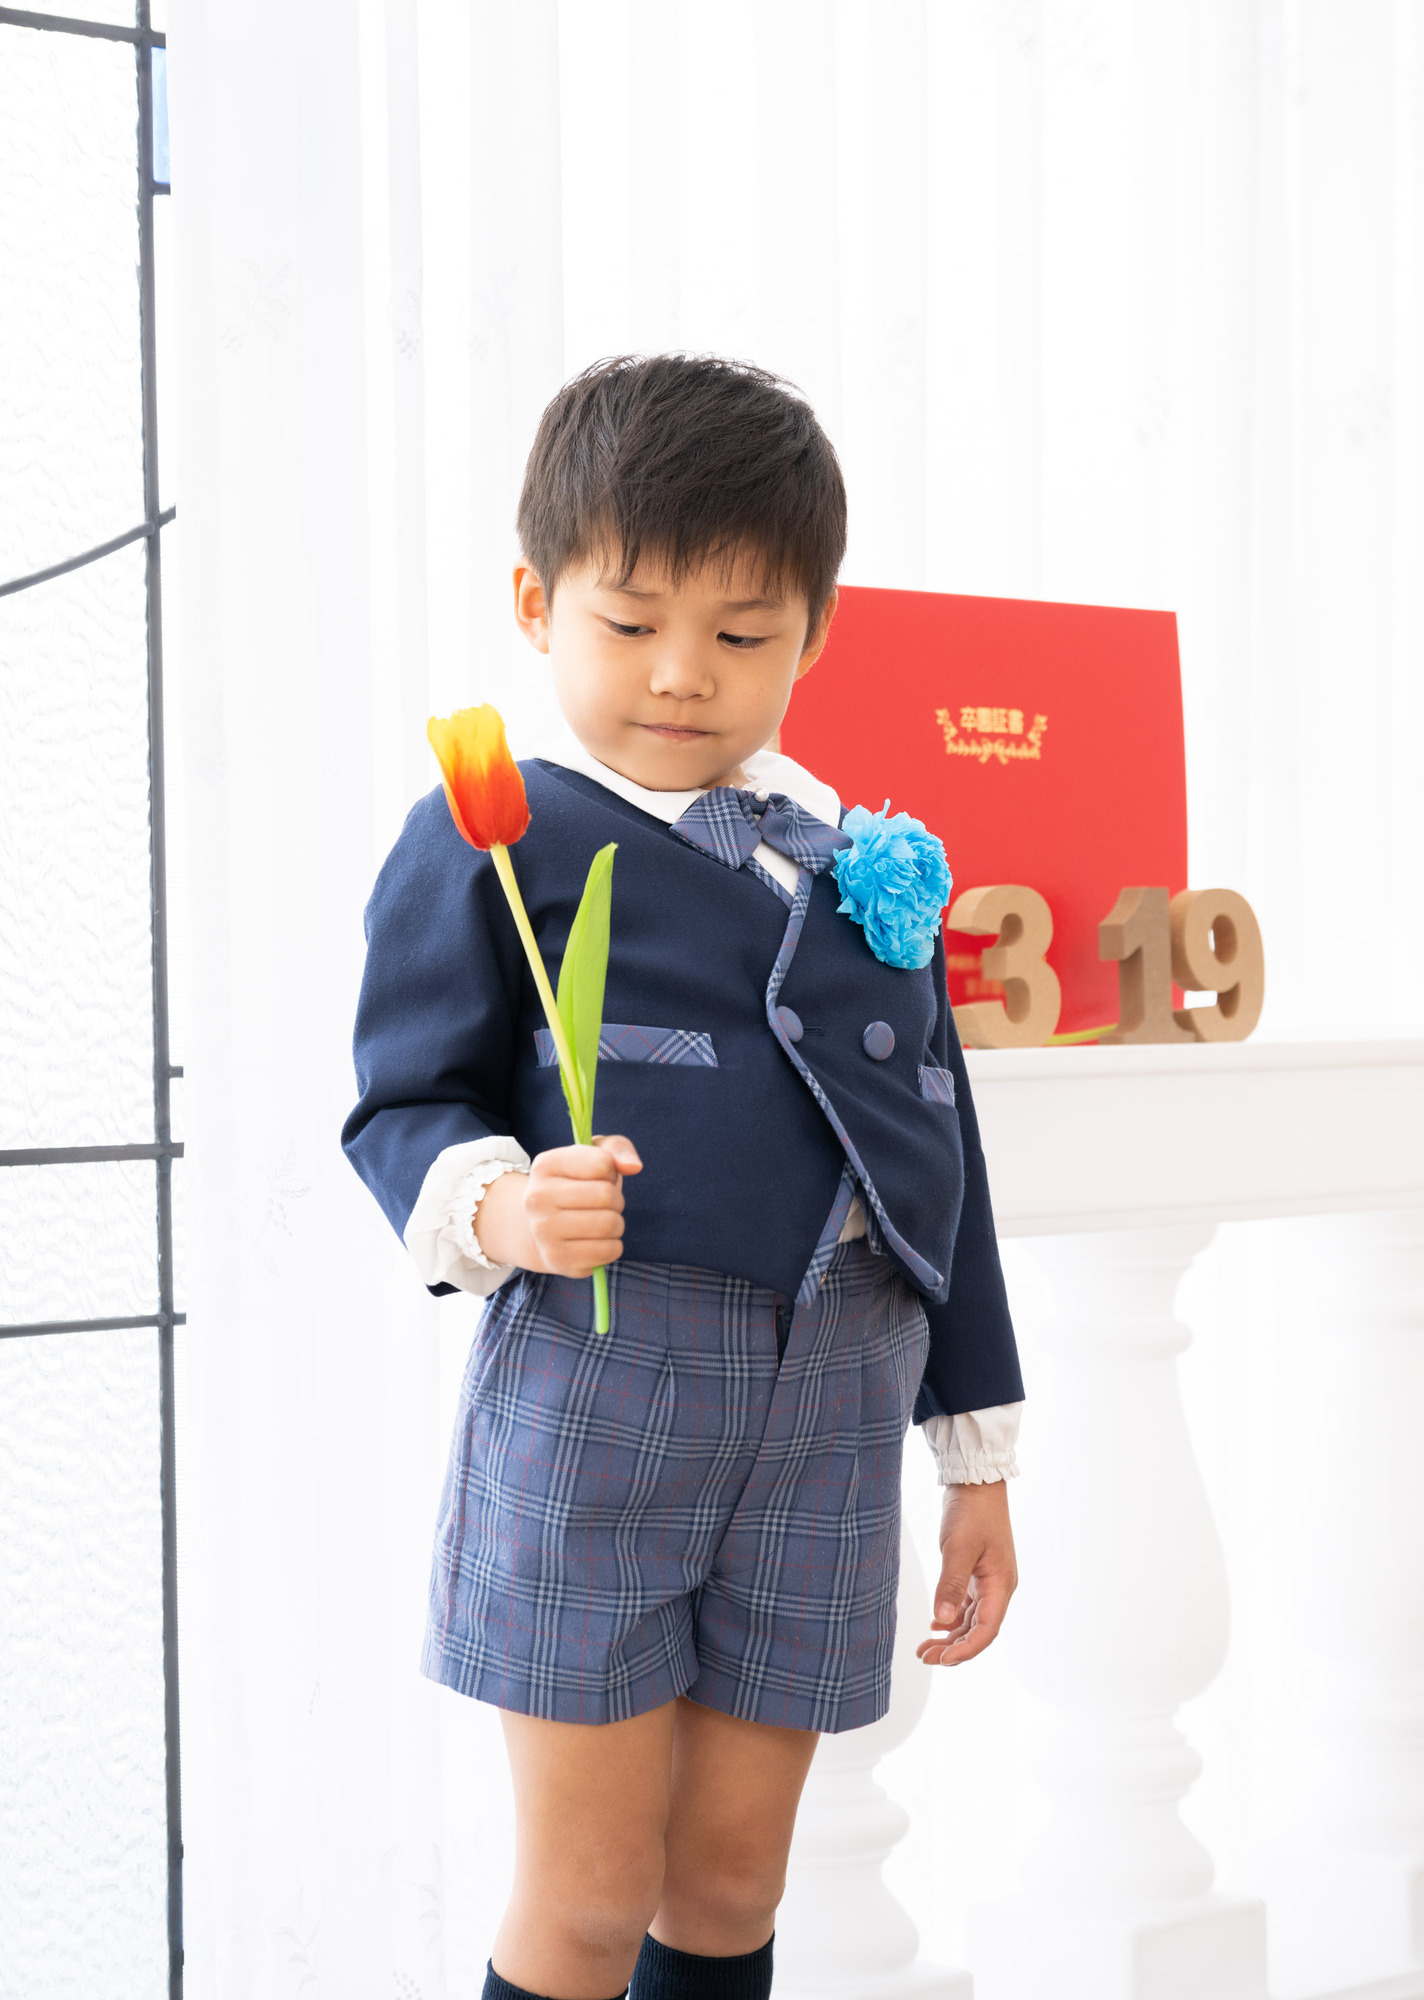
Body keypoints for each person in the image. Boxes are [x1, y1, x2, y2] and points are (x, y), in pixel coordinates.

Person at [341, 354, 1024, 2000]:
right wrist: (504, 1208)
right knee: (586, 1900)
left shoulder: (854, 861)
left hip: (837, 1400)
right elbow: (402, 1101)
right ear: (535, 602)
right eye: (632, 620)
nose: (679, 674)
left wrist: (976, 1456)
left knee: (725, 1887)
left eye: (740, 634)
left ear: (813, 635)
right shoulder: (496, 833)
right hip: (603, 1393)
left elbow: (936, 1166)